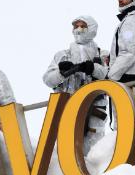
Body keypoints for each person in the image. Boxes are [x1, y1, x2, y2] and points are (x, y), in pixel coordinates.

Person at [43, 15, 108, 155]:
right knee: (69, 148)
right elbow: (48, 80)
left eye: (82, 26)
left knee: (94, 150)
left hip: (95, 108)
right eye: (75, 26)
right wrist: (61, 73)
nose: (78, 29)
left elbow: (111, 78)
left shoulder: (103, 55)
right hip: (68, 106)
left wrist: (93, 69)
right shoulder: (62, 55)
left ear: (91, 28)